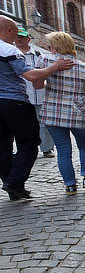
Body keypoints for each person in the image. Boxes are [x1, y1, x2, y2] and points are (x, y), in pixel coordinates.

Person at [0, 16, 73, 200]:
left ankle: (13, 187)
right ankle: (14, 182)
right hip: (14, 102)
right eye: (15, 34)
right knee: (30, 143)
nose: (15, 39)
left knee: (2, 147)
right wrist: (54, 67)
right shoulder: (9, 50)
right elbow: (31, 75)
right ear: (8, 30)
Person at [35, 32, 85, 195]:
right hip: (77, 112)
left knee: (63, 149)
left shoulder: (44, 61)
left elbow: (37, 85)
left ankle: (70, 185)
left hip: (53, 112)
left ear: (54, 46)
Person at [15, 26, 55, 158]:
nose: (19, 39)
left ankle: (47, 148)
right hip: (21, 96)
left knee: (44, 123)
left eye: (22, 36)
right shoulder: (12, 54)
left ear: (28, 39)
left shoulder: (39, 55)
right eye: (17, 36)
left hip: (40, 95)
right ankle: (26, 149)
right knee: (23, 124)